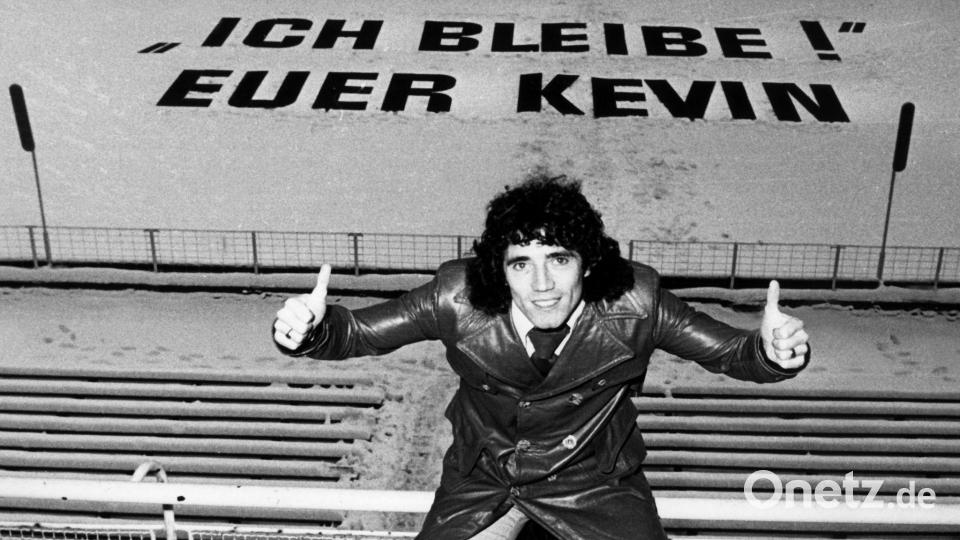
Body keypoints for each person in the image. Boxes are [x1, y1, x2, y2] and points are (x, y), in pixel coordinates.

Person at [272, 174, 810, 540]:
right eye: (521, 264)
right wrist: (306, 329)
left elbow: (737, 354)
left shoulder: (638, 302)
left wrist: (774, 350)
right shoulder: (455, 298)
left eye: (558, 258)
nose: (543, 284)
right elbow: (355, 334)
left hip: (596, 485)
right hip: (484, 478)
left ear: (589, 263)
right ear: (498, 270)